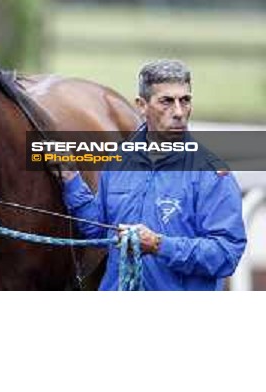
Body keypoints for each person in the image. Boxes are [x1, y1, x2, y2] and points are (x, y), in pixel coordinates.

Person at [58, 59, 247, 291]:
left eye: (185, 100)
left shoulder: (212, 174)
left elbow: (226, 254)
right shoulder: (117, 161)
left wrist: (159, 245)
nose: (178, 112)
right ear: (142, 105)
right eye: (166, 101)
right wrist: (70, 178)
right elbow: (97, 229)